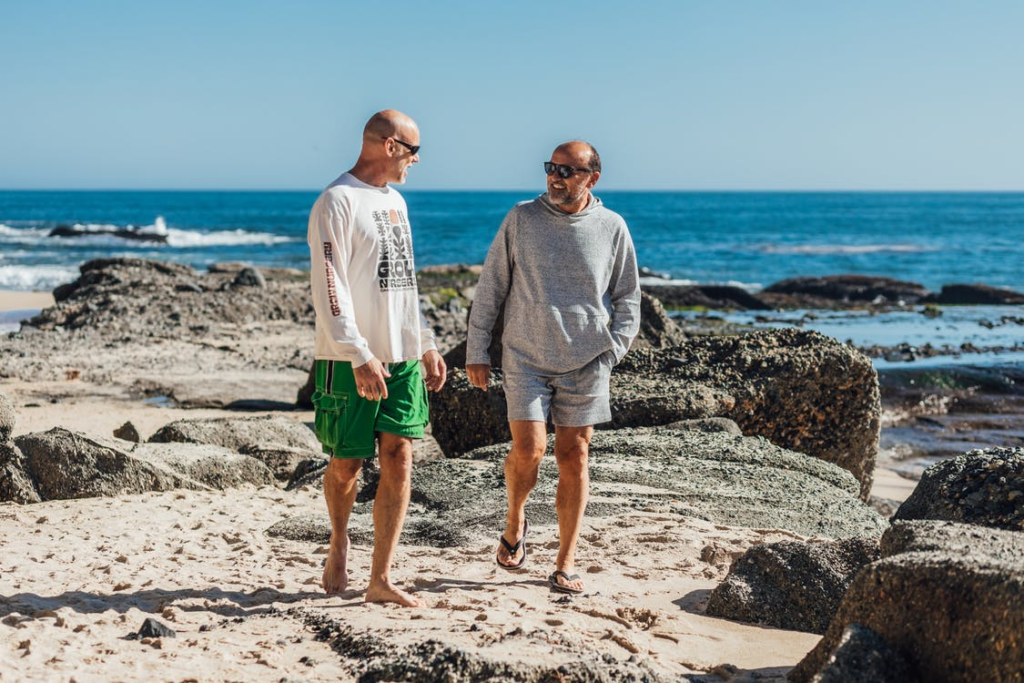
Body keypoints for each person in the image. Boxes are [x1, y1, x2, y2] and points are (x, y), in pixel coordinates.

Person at [465, 141, 640, 594]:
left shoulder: (612, 227)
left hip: (587, 361)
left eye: (568, 170)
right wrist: (477, 349)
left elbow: (628, 298)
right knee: (529, 450)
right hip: (524, 356)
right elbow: (491, 287)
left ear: (592, 178)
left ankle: (565, 562)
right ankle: (516, 519)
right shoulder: (521, 218)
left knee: (574, 456)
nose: (556, 177)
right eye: (551, 168)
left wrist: (613, 350)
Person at [307, 109, 446, 608]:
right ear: (389, 146)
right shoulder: (336, 202)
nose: (415, 161)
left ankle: (381, 577)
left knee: (399, 458)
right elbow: (329, 286)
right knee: (347, 464)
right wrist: (357, 352)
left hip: (402, 353)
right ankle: (339, 538)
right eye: (413, 152)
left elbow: (404, 281)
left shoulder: (397, 203)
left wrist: (425, 340)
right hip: (350, 358)